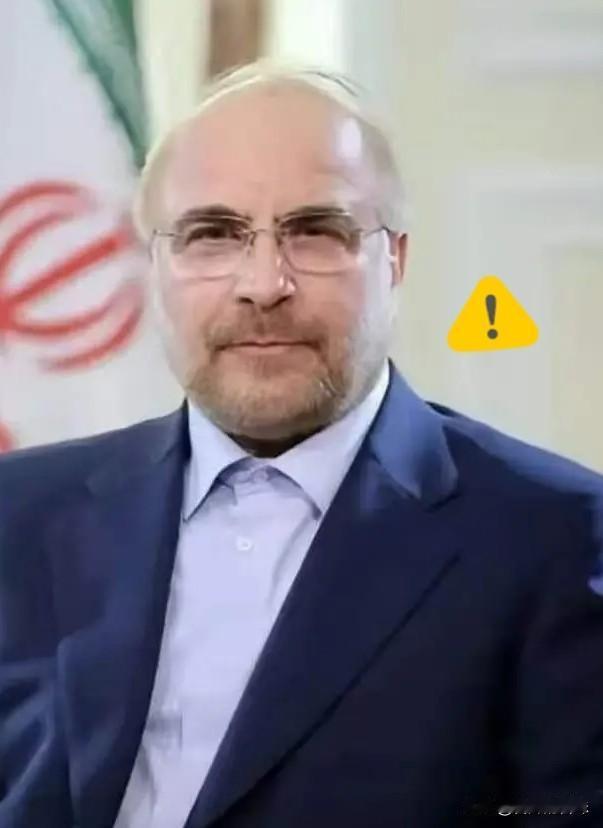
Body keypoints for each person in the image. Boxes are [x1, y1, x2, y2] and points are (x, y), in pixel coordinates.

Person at [1, 59, 602, 828]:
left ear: (394, 261)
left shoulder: (553, 536)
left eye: (316, 232)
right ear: (154, 266)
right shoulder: (15, 513)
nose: (262, 283)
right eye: (211, 235)